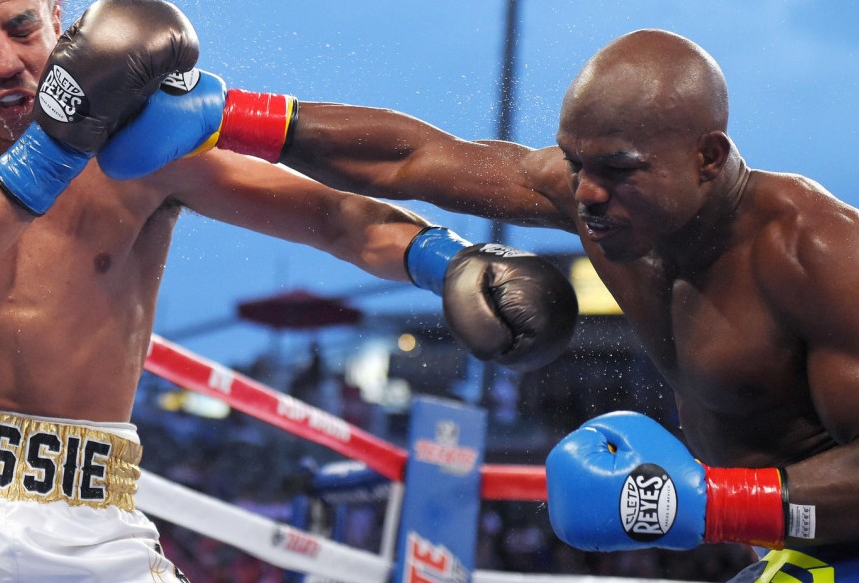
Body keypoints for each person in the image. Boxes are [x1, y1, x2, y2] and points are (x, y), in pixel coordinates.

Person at [0, 0, 577, 582]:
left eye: (23, 30)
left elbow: (330, 218)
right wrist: (60, 140)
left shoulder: (145, 148)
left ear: (58, 25)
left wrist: (446, 261)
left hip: (92, 517)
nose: (5, 60)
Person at [142, 29, 859, 579]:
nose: (585, 194)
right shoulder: (602, 203)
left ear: (709, 157)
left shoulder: (818, 256)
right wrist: (230, 116)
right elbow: (413, 160)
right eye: (574, 164)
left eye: (614, 170)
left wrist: (705, 504)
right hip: (800, 551)